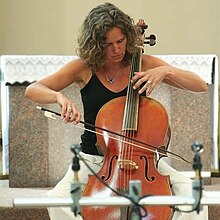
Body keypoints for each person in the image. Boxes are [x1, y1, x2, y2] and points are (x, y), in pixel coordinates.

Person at [25, 2, 208, 220]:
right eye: (108, 44)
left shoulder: (142, 62)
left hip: (145, 161)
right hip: (94, 161)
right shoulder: (84, 67)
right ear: (95, 44)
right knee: (57, 200)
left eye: (120, 41)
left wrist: (166, 71)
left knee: (195, 200)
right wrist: (58, 97)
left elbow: (200, 85)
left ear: (128, 37)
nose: (117, 49)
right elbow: (33, 89)